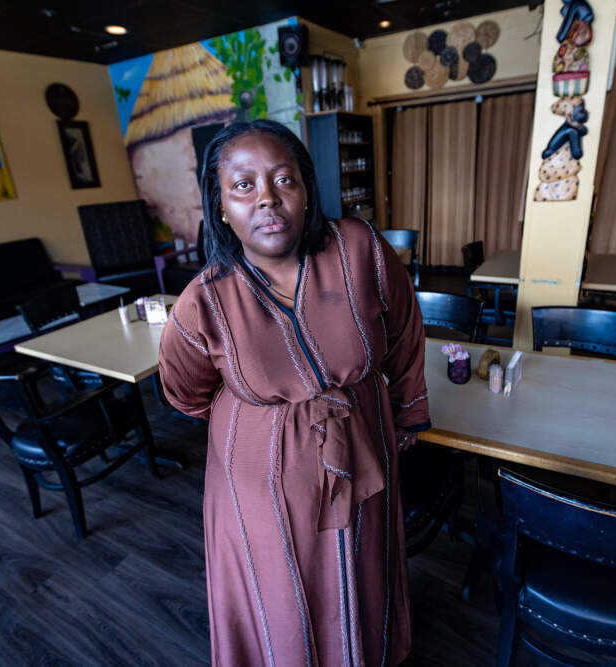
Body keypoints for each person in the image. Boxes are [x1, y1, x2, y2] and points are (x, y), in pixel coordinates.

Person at [159, 119, 430, 666]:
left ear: (307, 190)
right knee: (280, 591)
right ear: (220, 206)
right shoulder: (204, 299)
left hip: (363, 442)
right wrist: (269, 412)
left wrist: (406, 415)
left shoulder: (361, 249)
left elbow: (404, 333)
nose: (267, 200)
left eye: (284, 180)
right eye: (243, 185)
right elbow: (185, 391)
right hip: (260, 476)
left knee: (363, 564)